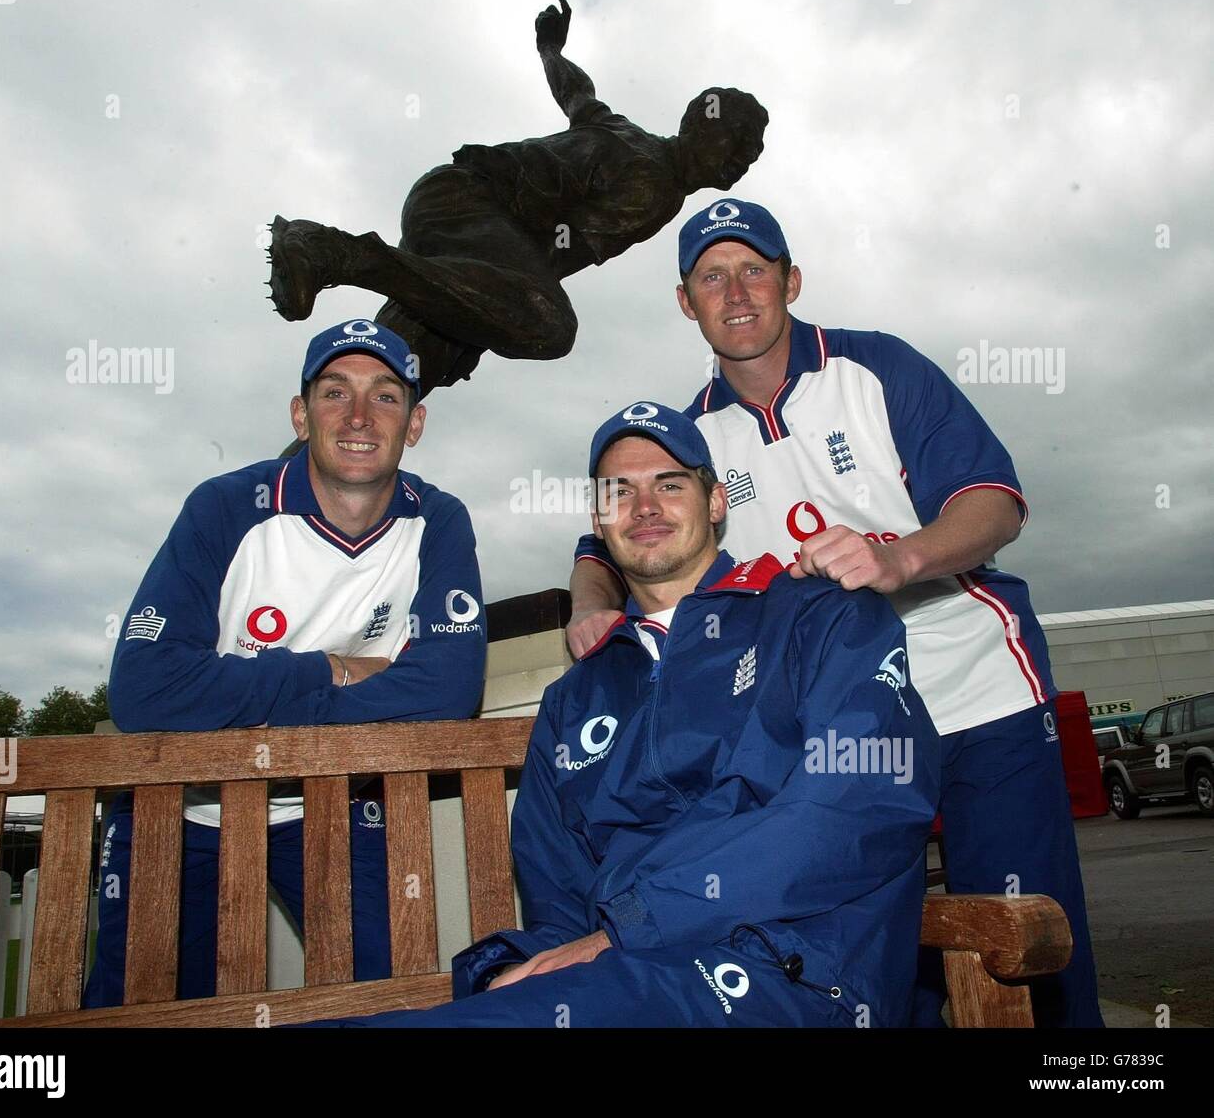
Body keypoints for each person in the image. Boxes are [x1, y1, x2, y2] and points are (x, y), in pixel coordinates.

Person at [566, 201, 1103, 1028]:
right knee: (886, 954)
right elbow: (613, 534)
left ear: (791, 280)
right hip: (839, 726)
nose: (736, 290)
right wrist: (591, 607)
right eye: (713, 275)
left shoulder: (877, 366)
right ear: (686, 302)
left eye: (754, 269)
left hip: (973, 693)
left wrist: (901, 557)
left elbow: (996, 500)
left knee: (1026, 948)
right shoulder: (696, 433)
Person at [304, 404, 939, 1028]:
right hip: (623, 979)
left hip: (791, 970)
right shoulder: (576, 697)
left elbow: (854, 813)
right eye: (619, 492)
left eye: (670, 484)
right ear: (598, 521)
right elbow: (558, 896)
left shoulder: (817, 617)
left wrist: (629, 930)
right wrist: (524, 966)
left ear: (717, 501)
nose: (645, 508)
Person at [83, 319, 487, 1007]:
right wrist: (326, 668)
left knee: (388, 1000)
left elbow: (451, 688)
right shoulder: (223, 507)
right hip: (185, 806)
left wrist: (250, 703)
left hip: (333, 798)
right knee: (143, 1010)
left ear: (414, 423)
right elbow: (146, 689)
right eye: (335, 392)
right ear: (301, 415)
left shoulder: (438, 519)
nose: (359, 416)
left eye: (385, 396)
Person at [266, 0, 768, 392]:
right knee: (548, 325)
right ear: (695, 122)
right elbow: (558, 253)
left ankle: (295, 475)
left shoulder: (621, 129)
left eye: (752, 149)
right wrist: (499, 315)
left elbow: (576, 92)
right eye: (738, 136)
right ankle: (334, 251)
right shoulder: (655, 189)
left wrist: (549, 47)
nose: (743, 154)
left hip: (452, 211)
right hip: (469, 208)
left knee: (390, 384)